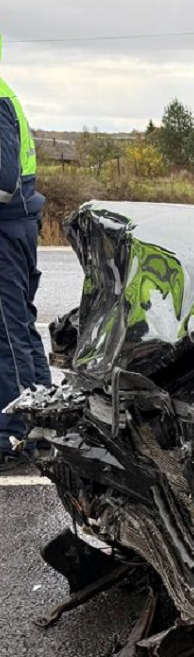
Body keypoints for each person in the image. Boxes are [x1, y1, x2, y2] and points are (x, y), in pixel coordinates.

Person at [0, 30, 50, 469]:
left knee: (7, 332)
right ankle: (45, 423)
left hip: (6, 230)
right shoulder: (4, 93)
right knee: (20, 326)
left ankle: (15, 434)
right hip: (18, 225)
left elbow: (2, 178)